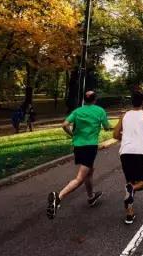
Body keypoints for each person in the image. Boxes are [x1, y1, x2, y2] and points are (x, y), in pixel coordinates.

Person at [47, 91, 111, 220]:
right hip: (90, 147)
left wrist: (73, 135)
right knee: (80, 178)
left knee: (90, 172)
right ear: (95, 99)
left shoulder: (77, 111)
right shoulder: (100, 111)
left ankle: (91, 197)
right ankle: (58, 198)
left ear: (84, 99)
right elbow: (107, 128)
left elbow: (64, 125)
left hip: (78, 146)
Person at [113, 91, 143, 225]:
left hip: (125, 152)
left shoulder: (124, 115)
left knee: (130, 182)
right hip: (140, 152)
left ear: (131, 102)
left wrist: (124, 138)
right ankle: (132, 191)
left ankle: (129, 214)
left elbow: (114, 134)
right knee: (142, 182)